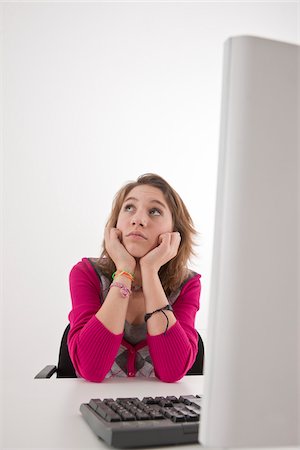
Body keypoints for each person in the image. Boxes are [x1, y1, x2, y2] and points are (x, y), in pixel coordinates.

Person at [68, 173, 201, 382]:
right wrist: (124, 269)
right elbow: (90, 369)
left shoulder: (187, 285)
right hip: (93, 406)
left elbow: (172, 372)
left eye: (155, 211)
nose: (138, 219)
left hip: (158, 410)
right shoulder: (87, 274)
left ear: (174, 233)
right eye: (129, 207)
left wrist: (149, 271)